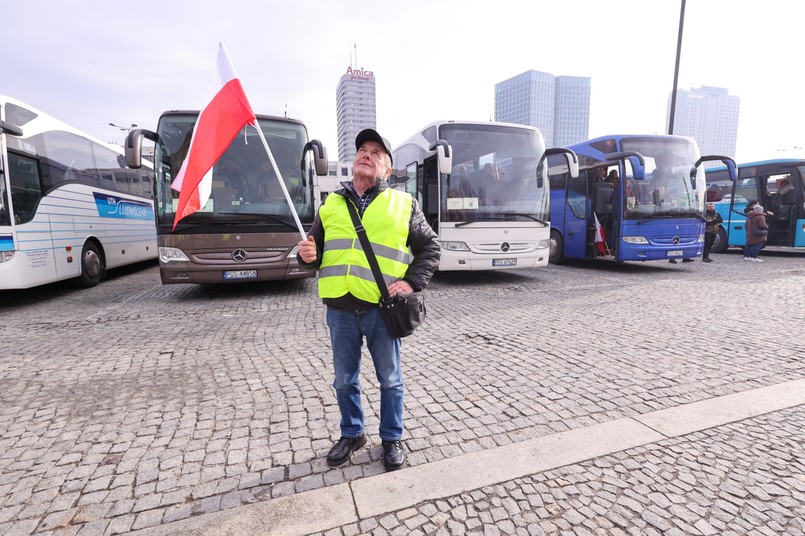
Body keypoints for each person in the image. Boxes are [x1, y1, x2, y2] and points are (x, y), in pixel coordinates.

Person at [296, 128, 440, 472]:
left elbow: (430, 248)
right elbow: (315, 253)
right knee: (344, 380)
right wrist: (306, 256)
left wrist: (411, 282)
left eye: (376, 152)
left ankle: (391, 438)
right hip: (340, 310)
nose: (366, 154)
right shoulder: (330, 204)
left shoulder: (403, 204)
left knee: (390, 379)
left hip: (381, 309)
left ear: (387, 170)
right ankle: (353, 433)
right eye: (362, 149)